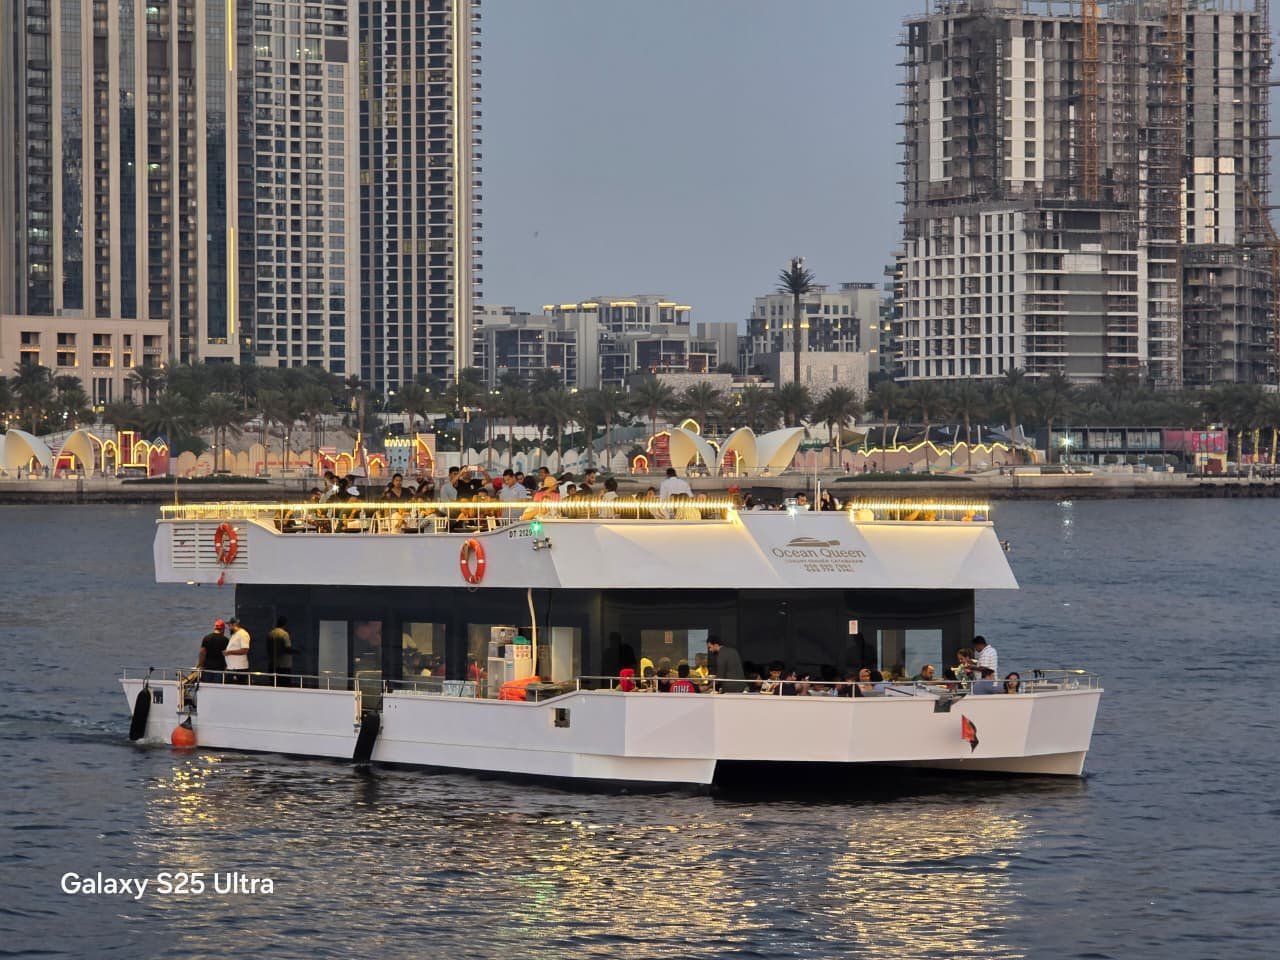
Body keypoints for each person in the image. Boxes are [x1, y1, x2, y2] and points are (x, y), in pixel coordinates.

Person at [197, 619, 229, 683]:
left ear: (214, 628)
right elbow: (227, 655)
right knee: (217, 687)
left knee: (206, 686)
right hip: (219, 668)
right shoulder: (225, 640)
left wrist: (200, 665)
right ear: (223, 629)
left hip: (207, 667)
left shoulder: (207, 638)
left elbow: (202, 653)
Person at [224, 616, 251, 683]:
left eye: (229, 625)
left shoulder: (243, 634)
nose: (228, 627)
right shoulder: (234, 634)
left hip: (239, 668)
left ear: (235, 624)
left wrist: (229, 652)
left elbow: (245, 650)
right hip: (232, 668)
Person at [267, 616, 294, 681]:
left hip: (273, 664)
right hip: (284, 665)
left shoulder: (270, 633)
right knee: (284, 683)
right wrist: (296, 651)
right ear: (285, 624)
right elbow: (287, 648)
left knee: (273, 683)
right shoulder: (284, 634)